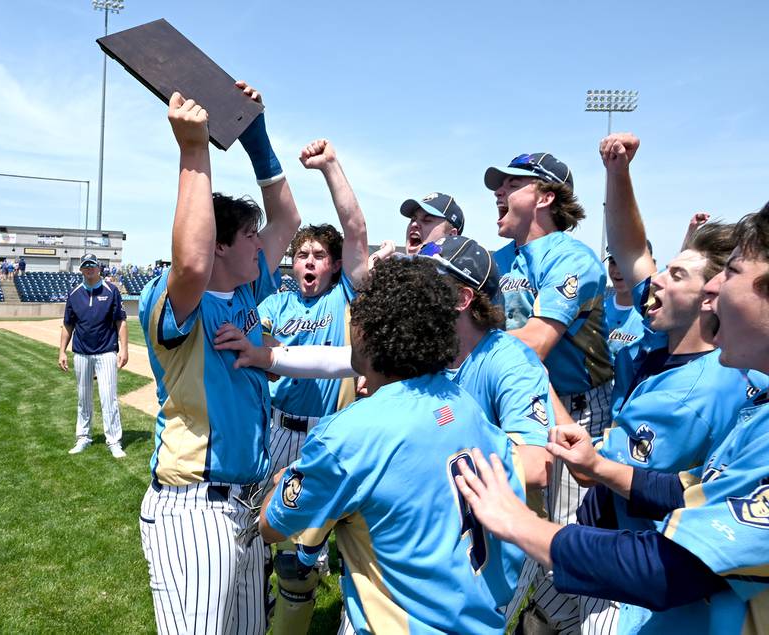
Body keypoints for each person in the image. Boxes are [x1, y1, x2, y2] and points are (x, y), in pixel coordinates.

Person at [454, 201, 769, 635]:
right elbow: (692, 490)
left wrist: (519, 523)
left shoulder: (696, 394)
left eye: (731, 273)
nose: (715, 288)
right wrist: (599, 465)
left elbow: (672, 567)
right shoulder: (730, 387)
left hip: (636, 592)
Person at [259, 257, 527, 633]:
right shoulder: (464, 403)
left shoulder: (350, 434)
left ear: (367, 330)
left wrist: (285, 479)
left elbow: (272, 525)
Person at [137, 81, 300, 635]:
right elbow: (190, 263)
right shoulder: (177, 296)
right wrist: (194, 150)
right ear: (222, 246)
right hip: (194, 506)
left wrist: (255, 133)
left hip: (246, 507)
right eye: (249, 236)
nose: (264, 244)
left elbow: (287, 222)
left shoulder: (250, 290)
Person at [484, 151, 613, 628]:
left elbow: (535, 344)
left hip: (575, 417)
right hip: (517, 410)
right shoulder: (499, 259)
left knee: (569, 548)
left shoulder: (570, 256)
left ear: (545, 196)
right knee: (518, 538)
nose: (498, 191)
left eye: (512, 184)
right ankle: (543, 619)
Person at [245, 138, 367, 634]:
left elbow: (356, 230)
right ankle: (260, 610)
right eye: (301, 255)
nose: (308, 262)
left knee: (306, 560)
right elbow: (264, 350)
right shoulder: (274, 304)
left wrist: (330, 168)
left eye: (318, 255)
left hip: (330, 430)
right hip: (277, 431)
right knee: (256, 536)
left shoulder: (347, 296)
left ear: (334, 265)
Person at [58, 252, 128, 458]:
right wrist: (62, 351)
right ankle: (83, 437)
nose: (89, 269)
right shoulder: (74, 294)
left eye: (92, 266)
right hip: (81, 353)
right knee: (83, 398)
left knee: (109, 398)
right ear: (81, 269)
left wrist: (124, 349)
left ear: (99, 268)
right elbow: (68, 324)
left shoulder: (111, 291)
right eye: (85, 266)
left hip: (106, 351)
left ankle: (114, 441)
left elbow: (120, 322)